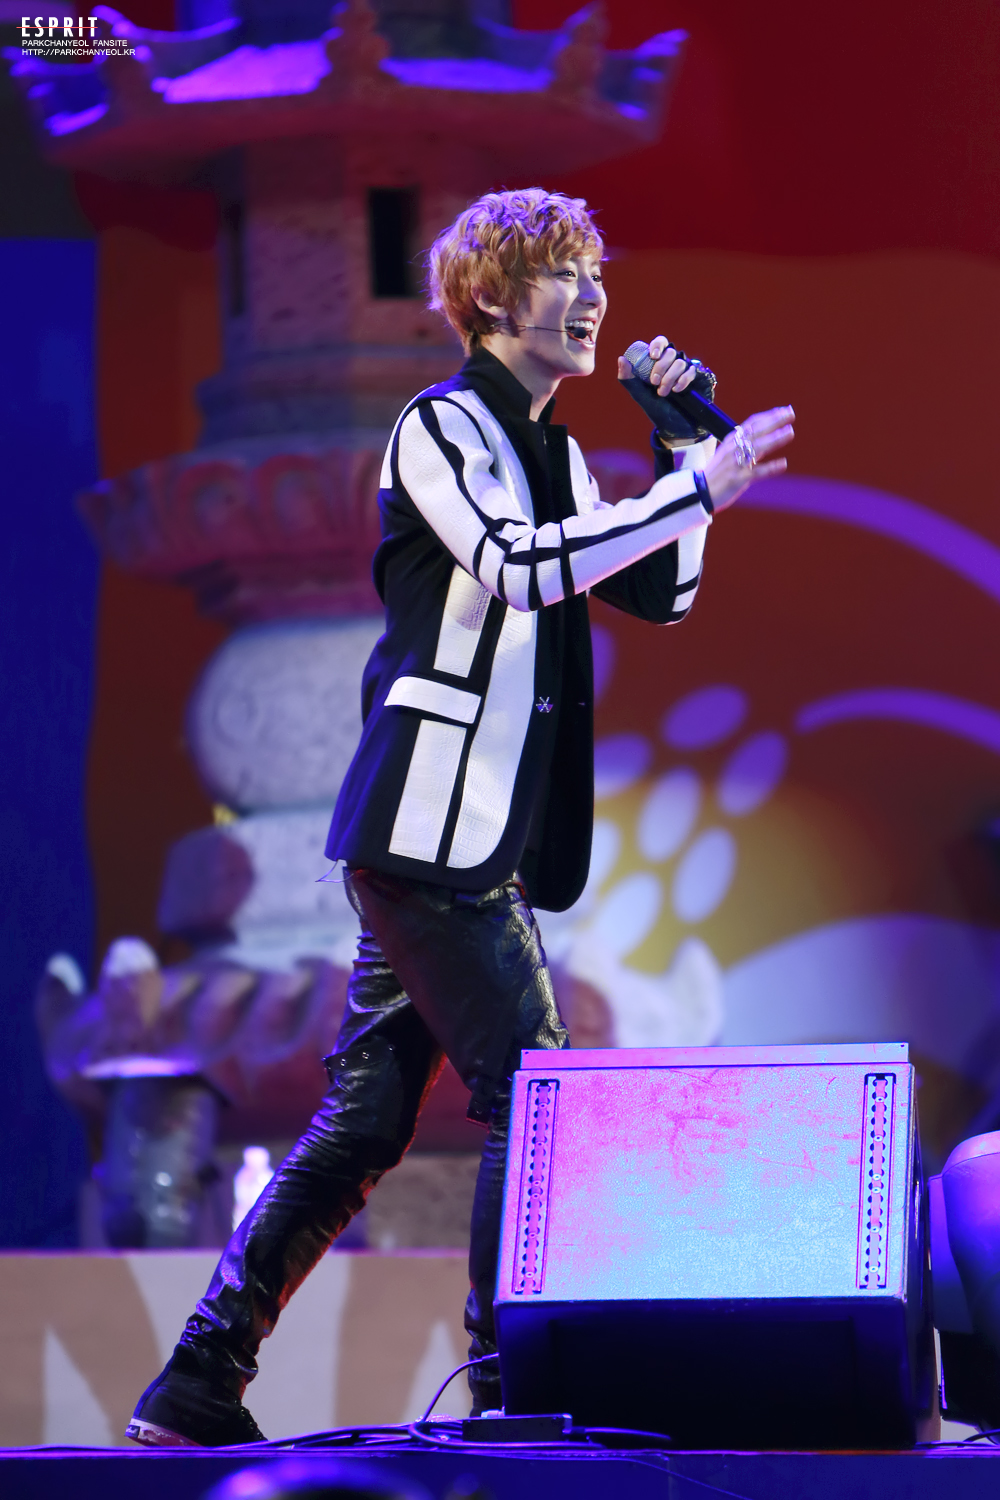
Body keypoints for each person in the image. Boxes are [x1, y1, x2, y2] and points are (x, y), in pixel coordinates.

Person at [127, 188, 794, 1447]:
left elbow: (658, 596)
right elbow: (522, 568)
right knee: (536, 1092)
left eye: (596, 273)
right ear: (489, 296)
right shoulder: (440, 427)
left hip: (469, 839)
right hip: (426, 829)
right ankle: (505, 1387)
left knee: (363, 1125)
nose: (592, 298)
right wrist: (694, 493)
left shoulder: (552, 449)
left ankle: (196, 1383)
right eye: (562, 274)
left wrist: (675, 457)